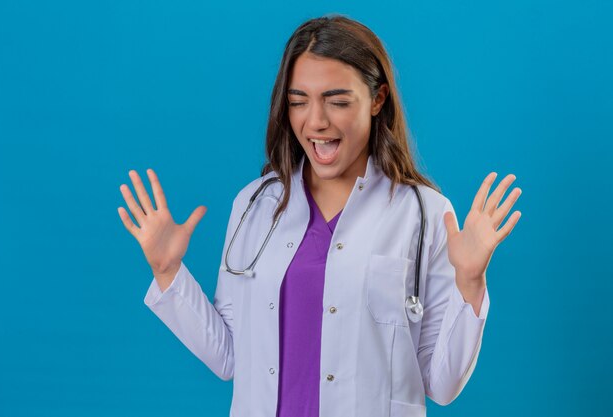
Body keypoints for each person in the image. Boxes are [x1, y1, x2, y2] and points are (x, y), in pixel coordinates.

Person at [117, 14, 521, 417]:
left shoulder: (425, 214)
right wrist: (168, 271)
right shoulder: (255, 206)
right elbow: (228, 356)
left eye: (338, 101)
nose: (316, 121)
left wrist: (470, 282)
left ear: (378, 100)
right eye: (298, 102)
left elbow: (442, 384)